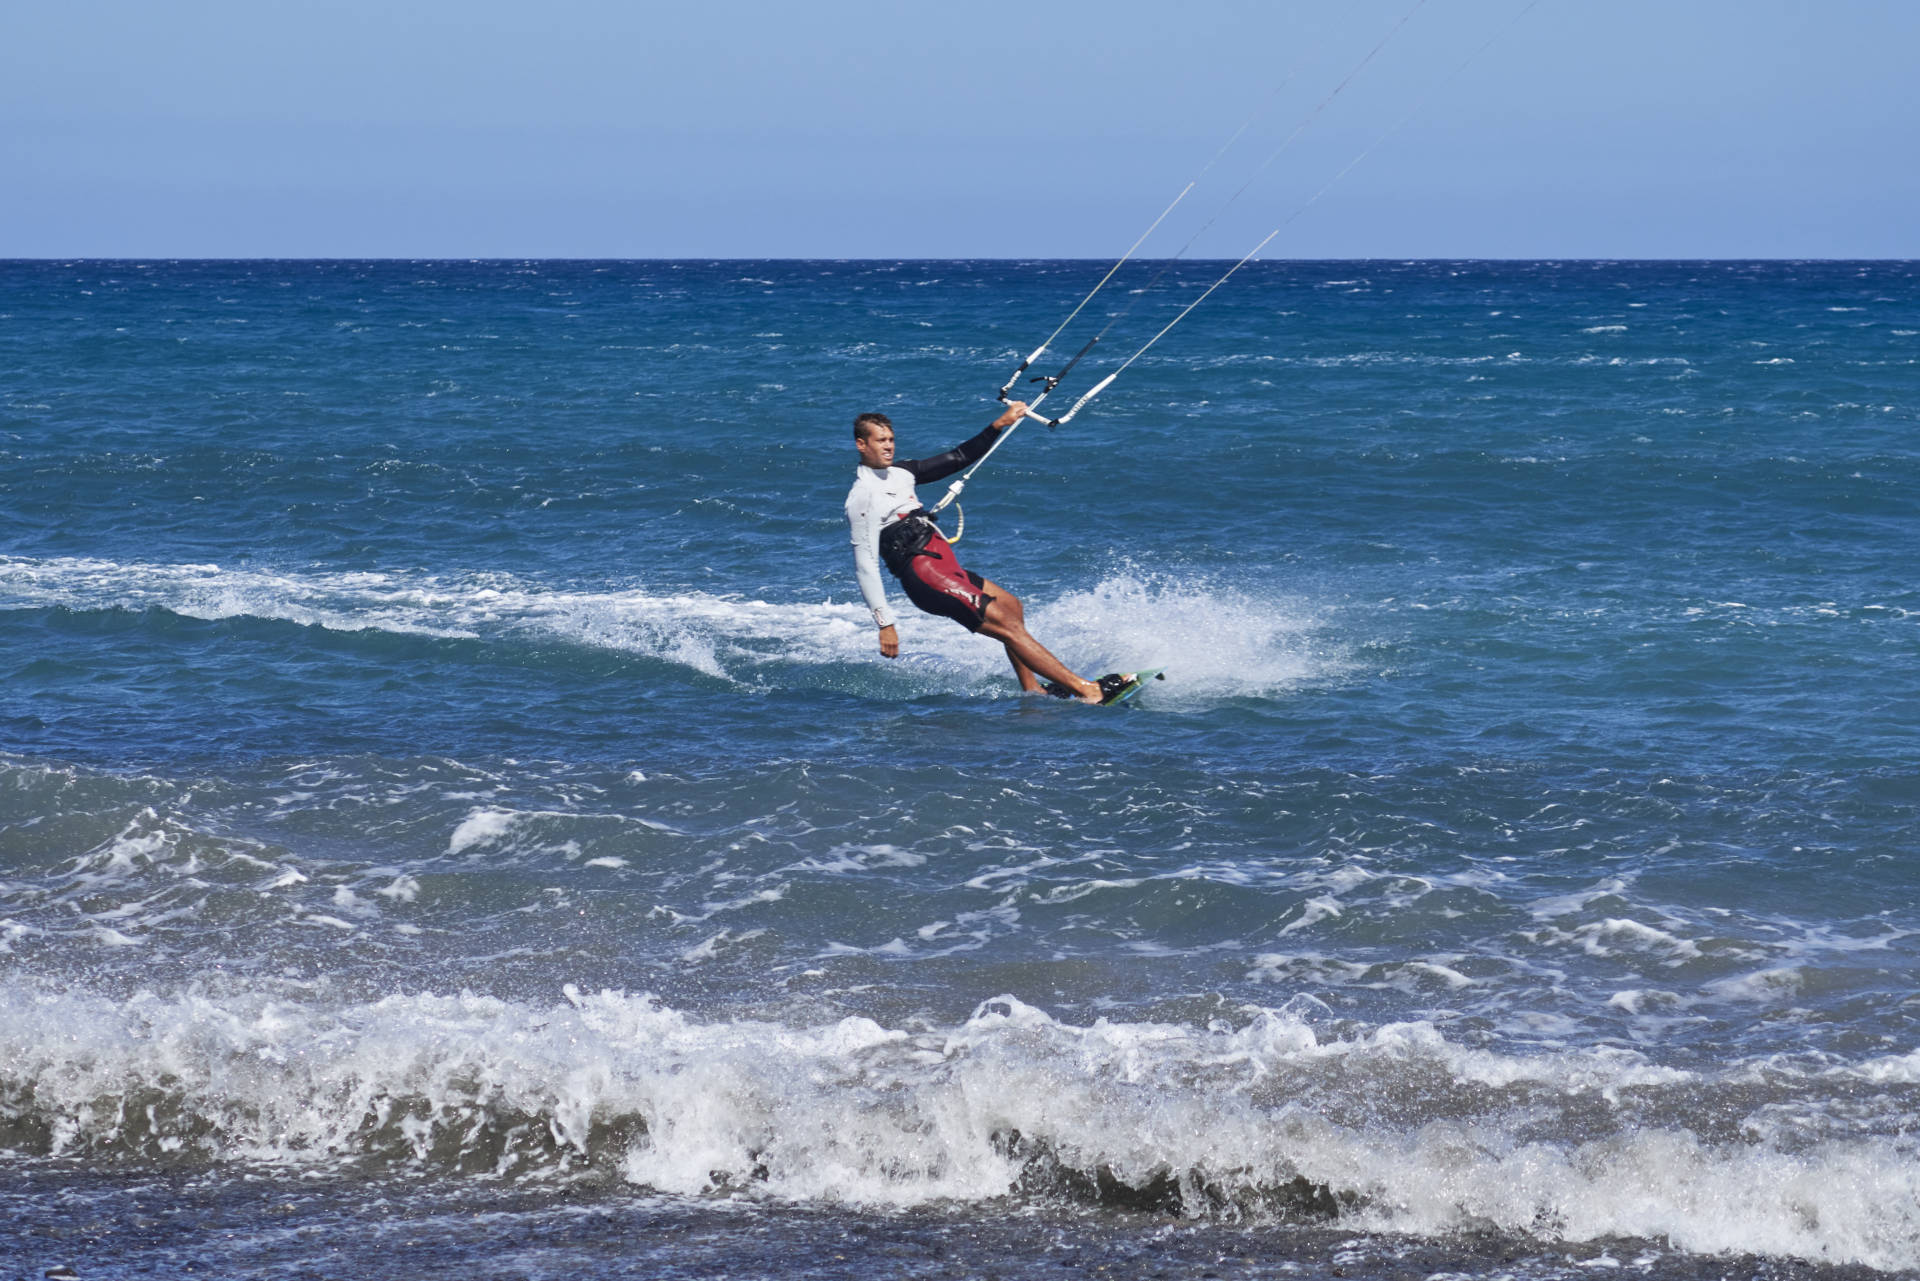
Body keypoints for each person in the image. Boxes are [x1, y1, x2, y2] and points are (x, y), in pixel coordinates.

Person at [844, 401, 1132, 705]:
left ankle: (1032, 690)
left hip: (944, 566)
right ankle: (1087, 690)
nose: (888, 446)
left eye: (890, 439)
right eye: (880, 441)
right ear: (861, 445)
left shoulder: (901, 473)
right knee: (1007, 627)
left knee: (1012, 607)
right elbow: (865, 565)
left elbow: (957, 458)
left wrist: (999, 425)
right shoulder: (861, 497)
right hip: (926, 576)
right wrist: (885, 623)